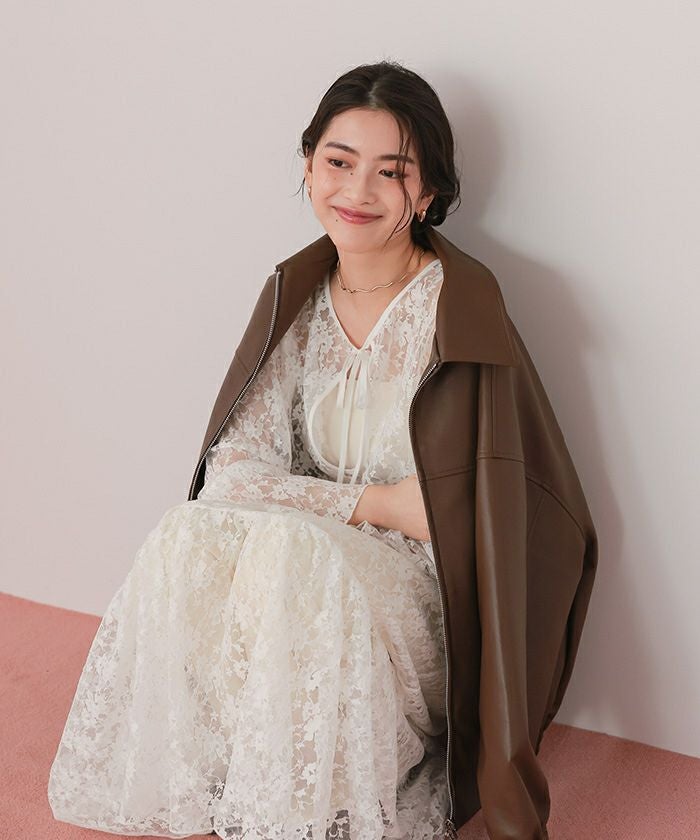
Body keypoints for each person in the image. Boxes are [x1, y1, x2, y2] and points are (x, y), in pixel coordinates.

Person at [48, 61, 459, 839]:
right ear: (308, 166)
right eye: (339, 162)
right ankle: (243, 773)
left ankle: (295, 790)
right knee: (189, 531)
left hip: (416, 598)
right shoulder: (298, 302)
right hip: (305, 570)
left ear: (427, 191)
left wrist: (331, 519)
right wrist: (376, 504)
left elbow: (458, 509)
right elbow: (231, 474)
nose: (358, 190)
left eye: (390, 171)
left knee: (292, 553)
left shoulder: (456, 309)